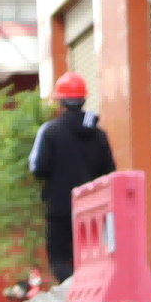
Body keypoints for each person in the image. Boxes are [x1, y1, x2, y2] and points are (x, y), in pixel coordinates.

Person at [30, 71, 117, 281]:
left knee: (59, 259)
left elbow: (38, 168)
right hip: (93, 209)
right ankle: (89, 292)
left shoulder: (50, 132)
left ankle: (74, 291)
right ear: (84, 99)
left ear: (60, 101)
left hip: (59, 210)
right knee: (93, 258)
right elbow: (110, 172)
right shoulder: (99, 134)